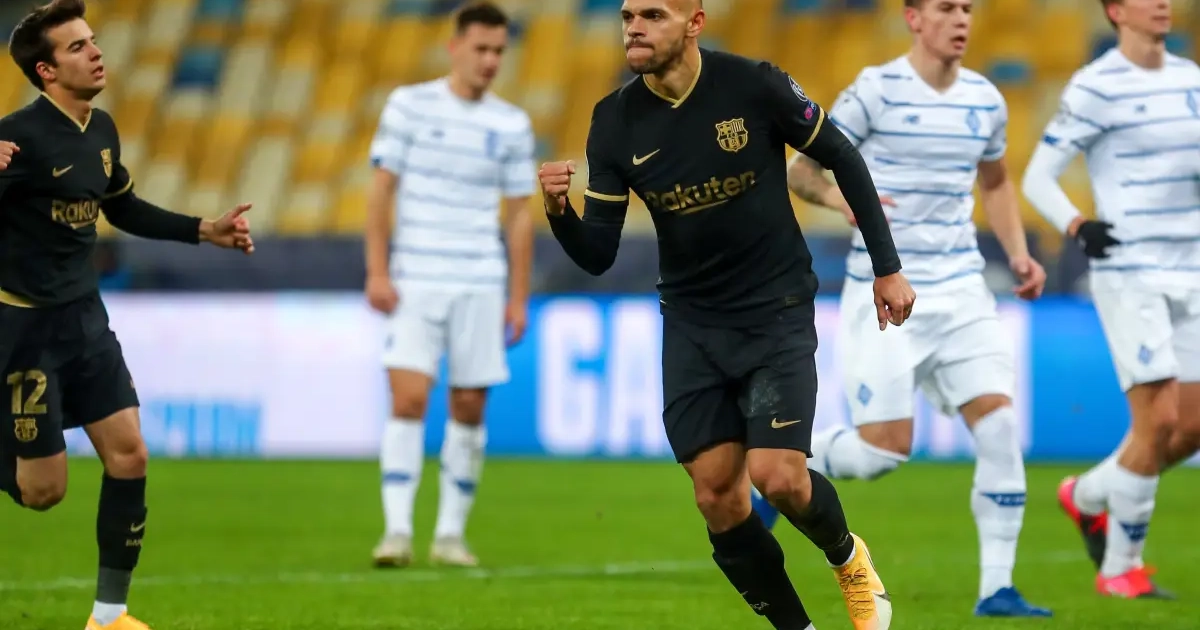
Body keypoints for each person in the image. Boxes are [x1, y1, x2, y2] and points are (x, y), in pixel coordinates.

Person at [540, 1, 916, 628]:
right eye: (627, 16)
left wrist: (888, 267)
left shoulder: (753, 85)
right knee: (716, 495)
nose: (633, 27)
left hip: (774, 311)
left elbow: (843, 156)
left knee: (779, 478)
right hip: (693, 325)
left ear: (694, 23)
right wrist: (559, 213)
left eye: (652, 15)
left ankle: (847, 557)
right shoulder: (613, 121)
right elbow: (598, 255)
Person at [757, 0, 1052, 617]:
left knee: (999, 425)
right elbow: (802, 172)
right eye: (947, 8)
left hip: (962, 288)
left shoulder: (984, 99)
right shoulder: (876, 91)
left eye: (967, 8)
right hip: (884, 288)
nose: (961, 19)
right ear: (914, 18)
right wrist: (845, 203)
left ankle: (997, 590)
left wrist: (1018, 253)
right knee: (880, 454)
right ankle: (779, 466)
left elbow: (996, 182)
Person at [0, 1, 255, 629]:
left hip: (85, 323)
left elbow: (123, 206)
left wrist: (205, 229)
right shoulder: (17, 139)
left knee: (130, 455)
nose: (96, 52)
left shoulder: (102, 129)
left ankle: (109, 617)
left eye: (93, 40)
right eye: (77, 47)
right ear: (46, 71)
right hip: (24, 333)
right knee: (42, 493)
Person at [1021, 0, 1197, 600]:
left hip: (1192, 267)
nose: (1164, 3)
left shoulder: (1191, 80)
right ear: (1116, 11)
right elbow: (1038, 176)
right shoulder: (1096, 86)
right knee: (1159, 420)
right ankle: (1122, 568)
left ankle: (1088, 494)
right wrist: (1077, 224)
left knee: (1191, 428)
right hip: (1130, 269)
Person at [365, 1, 535, 569]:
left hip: (480, 278)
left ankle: (449, 535)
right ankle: (396, 531)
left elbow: (518, 215)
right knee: (408, 398)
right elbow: (381, 189)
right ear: (455, 47)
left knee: (468, 404)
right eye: (481, 49)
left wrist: (518, 296)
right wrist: (377, 270)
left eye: (498, 52)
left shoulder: (511, 123)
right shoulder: (408, 105)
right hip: (416, 274)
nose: (490, 61)